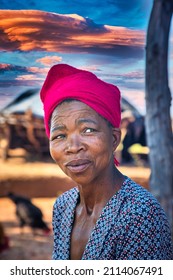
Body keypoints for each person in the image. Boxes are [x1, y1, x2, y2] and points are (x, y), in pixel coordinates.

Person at [40, 64, 173, 260]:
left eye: (87, 130)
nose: (73, 146)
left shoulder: (141, 215)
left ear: (114, 139)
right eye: (59, 135)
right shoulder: (63, 207)